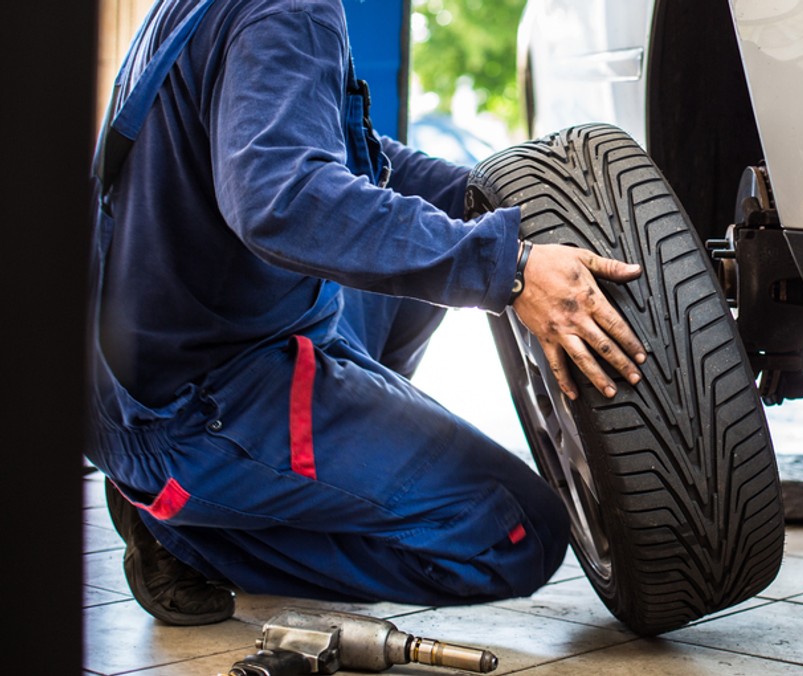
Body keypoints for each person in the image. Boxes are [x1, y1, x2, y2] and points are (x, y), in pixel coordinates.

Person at [88, 0, 645, 626]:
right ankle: (187, 530)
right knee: (519, 533)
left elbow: (332, 148)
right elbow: (283, 199)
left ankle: (317, 474)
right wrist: (508, 271)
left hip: (143, 368)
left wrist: (481, 200)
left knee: (409, 265)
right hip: (197, 405)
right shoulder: (291, 9)